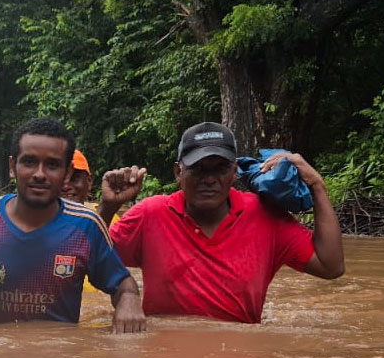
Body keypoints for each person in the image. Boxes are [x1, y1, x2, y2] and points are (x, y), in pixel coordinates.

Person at [98, 121, 344, 323]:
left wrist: (317, 185)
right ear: (178, 172)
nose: (209, 179)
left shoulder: (266, 217)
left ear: (235, 172)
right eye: (198, 169)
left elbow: (330, 266)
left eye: (220, 169)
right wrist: (108, 207)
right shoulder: (150, 214)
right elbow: (91, 261)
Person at [0, 118, 146, 333]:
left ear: (67, 174)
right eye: (29, 162)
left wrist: (130, 301)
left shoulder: (86, 226)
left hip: (61, 357)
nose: (40, 174)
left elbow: (122, 284)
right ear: (12, 167)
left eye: (52, 165)